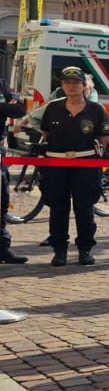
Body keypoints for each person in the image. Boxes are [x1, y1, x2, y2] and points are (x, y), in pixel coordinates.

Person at [37, 66, 109, 266]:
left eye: (76, 82)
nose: (71, 86)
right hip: (57, 163)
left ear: (83, 85)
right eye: (67, 83)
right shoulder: (53, 107)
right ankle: (59, 250)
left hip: (85, 163)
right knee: (58, 208)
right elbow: (45, 132)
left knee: (85, 207)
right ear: (62, 86)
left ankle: (85, 250)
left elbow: (104, 137)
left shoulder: (96, 109)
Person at [0, 71, 26, 263]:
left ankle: (2, 249)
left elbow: (19, 109)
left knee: (2, 202)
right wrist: (4, 108)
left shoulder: (1, 84)